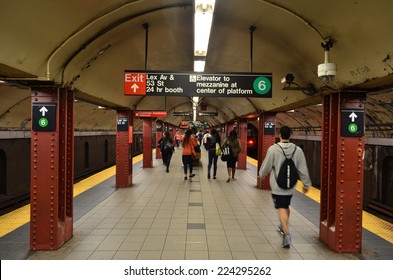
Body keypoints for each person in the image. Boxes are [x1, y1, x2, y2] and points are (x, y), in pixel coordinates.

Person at [258, 126, 311, 249]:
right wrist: (306, 184)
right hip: (291, 185)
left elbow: (266, 165)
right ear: (290, 135)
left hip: (277, 185)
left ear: (279, 134)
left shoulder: (273, 149)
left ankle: (286, 234)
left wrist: (262, 174)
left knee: (281, 207)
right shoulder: (297, 150)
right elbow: (303, 168)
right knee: (286, 205)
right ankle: (283, 225)